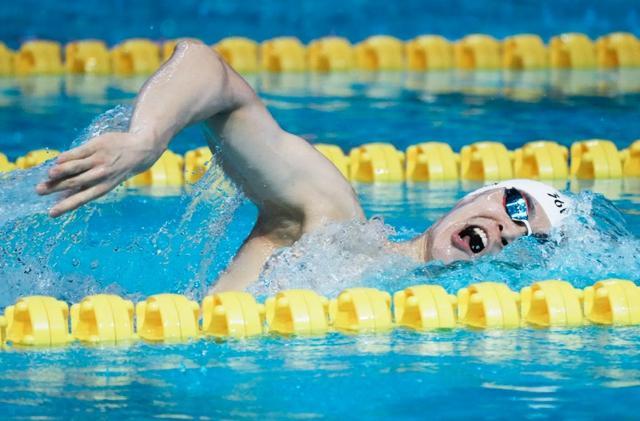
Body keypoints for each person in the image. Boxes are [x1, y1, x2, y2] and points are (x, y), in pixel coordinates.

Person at [36, 40, 571, 292]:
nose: (508, 229)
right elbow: (211, 71)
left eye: (528, 235)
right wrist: (146, 137)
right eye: (514, 205)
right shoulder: (331, 224)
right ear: (471, 198)